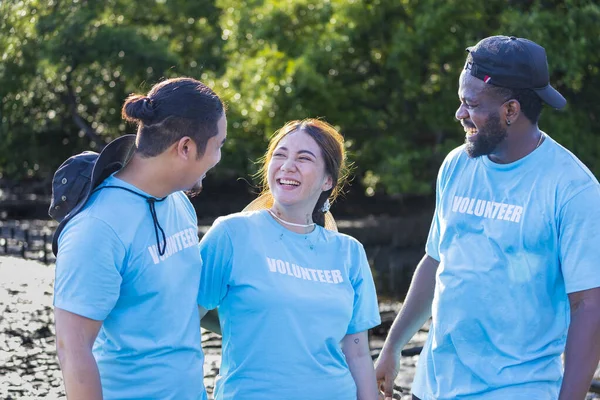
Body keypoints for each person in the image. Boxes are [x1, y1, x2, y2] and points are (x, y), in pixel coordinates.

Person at [375, 35, 600, 400]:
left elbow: (589, 307)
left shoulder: (573, 189)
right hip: (432, 387)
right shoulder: (456, 164)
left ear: (511, 111)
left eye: (471, 104)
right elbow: (435, 261)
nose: (459, 114)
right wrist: (393, 346)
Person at [52, 77, 227, 400]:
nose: (218, 157)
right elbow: (71, 349)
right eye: (218, 145)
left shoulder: (179, 203)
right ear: (186, 148)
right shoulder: (96, 227)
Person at [197, 119, 381, 400]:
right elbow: (181, 323)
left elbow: (357, 354)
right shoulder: (232, 234)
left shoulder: (350, 253)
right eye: (279, 156)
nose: (287, 166)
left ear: (328, 180)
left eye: (303, 158)